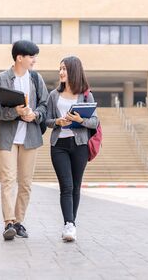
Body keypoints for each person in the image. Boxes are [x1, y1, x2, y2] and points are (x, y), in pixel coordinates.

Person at [0, 40, 48, 240]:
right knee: (8, 180)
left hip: (30, 137)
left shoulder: (37, 80)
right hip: (8, 138)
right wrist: (14, 112)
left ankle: (19, 222)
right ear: (19, 57)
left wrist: (35, 115)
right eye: (31, 56)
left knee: (26, 183)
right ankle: (9, 223)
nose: (34, 60)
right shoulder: (1, 79)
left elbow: (45, 106)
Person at [45, 56, 99, 242]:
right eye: (60, 68)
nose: (61, 72)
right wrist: (58, 121)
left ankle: (72, 225)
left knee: (76, 186)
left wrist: (79, 120)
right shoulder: (53, 95)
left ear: (74, 71)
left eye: (65, 69)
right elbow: (47, 120)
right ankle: (68, 223)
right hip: (59, 145)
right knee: (66, 186)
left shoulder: (85, 95)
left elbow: (95, 121)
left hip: (80, 146)